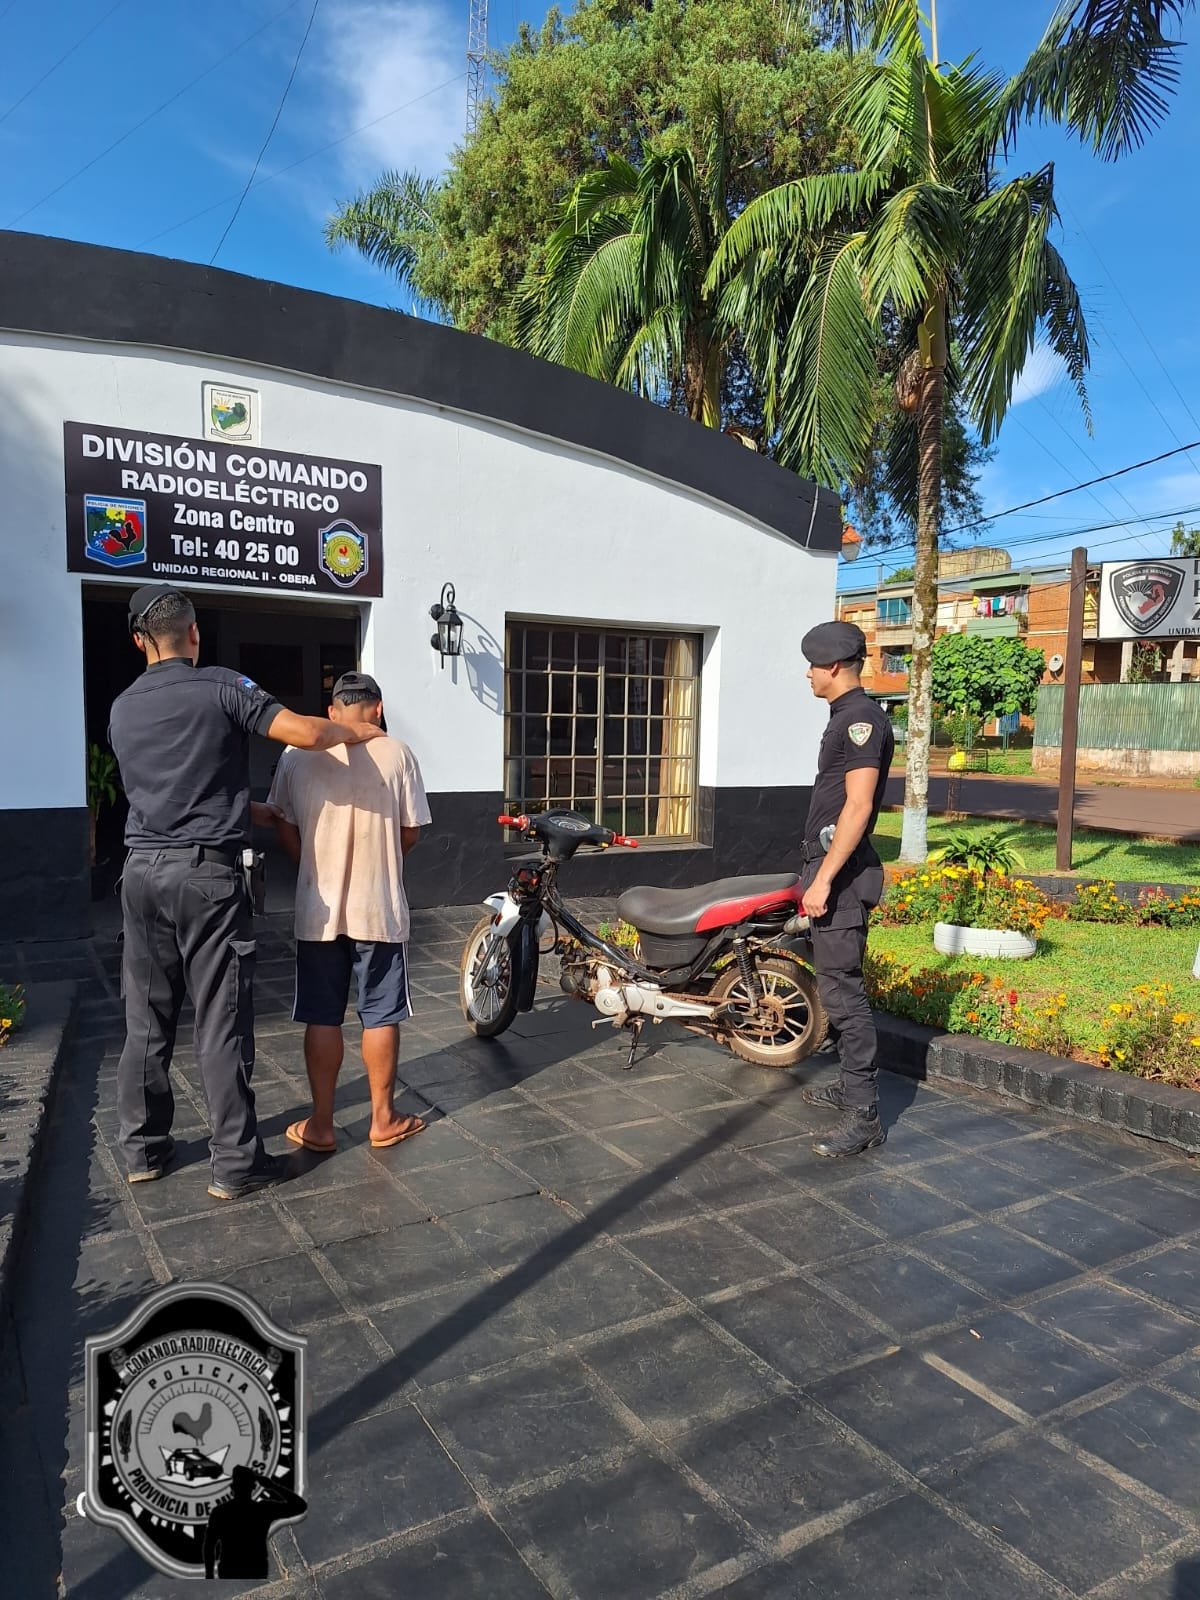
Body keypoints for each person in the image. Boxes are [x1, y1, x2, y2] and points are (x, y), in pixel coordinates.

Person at [108, 585, 385, 1201]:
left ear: (138, 641)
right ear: (195, 633)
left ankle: (144, 1151)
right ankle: (235, 1163)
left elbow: (174, 788)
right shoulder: (221, 686)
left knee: (146, 1019)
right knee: (221, 1018)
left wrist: (246, 809)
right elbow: (304, 735)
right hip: (206, 879)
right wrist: (357, 732)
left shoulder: (122, 707)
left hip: (142, 874)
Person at [267, 671, 432, 1153]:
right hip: (378, 907)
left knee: (322, 1015)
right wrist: (378, 861)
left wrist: (313, 867)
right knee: (380, 1014)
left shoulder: (297, 754)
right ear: (377, 709)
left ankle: (321, 1124)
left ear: (334, 711)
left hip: (318, 911)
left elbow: (282, 822)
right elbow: (411, 832)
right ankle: (383, 1119)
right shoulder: (398, 754)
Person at [797, 620, 895, 1158]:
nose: (808, 674)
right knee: (835, 985)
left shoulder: (859, 721)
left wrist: (826, 880)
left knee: (843, 994)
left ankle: (864, 1115)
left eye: (813, 664)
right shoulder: (849, 716)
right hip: (828, 869)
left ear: (834, 667)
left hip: (842, 876)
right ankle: (848, 1087)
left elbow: (857, 807)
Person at [202, 1465, 307, 1579]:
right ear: (253, 1487)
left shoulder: (220, 1512)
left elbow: (209, 1545)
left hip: (229, 1569)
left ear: (233, 1488)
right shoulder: (263, 1509)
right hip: (256, 1568)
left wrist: (209, 1574)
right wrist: (273, 1486)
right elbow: (300, 1506)